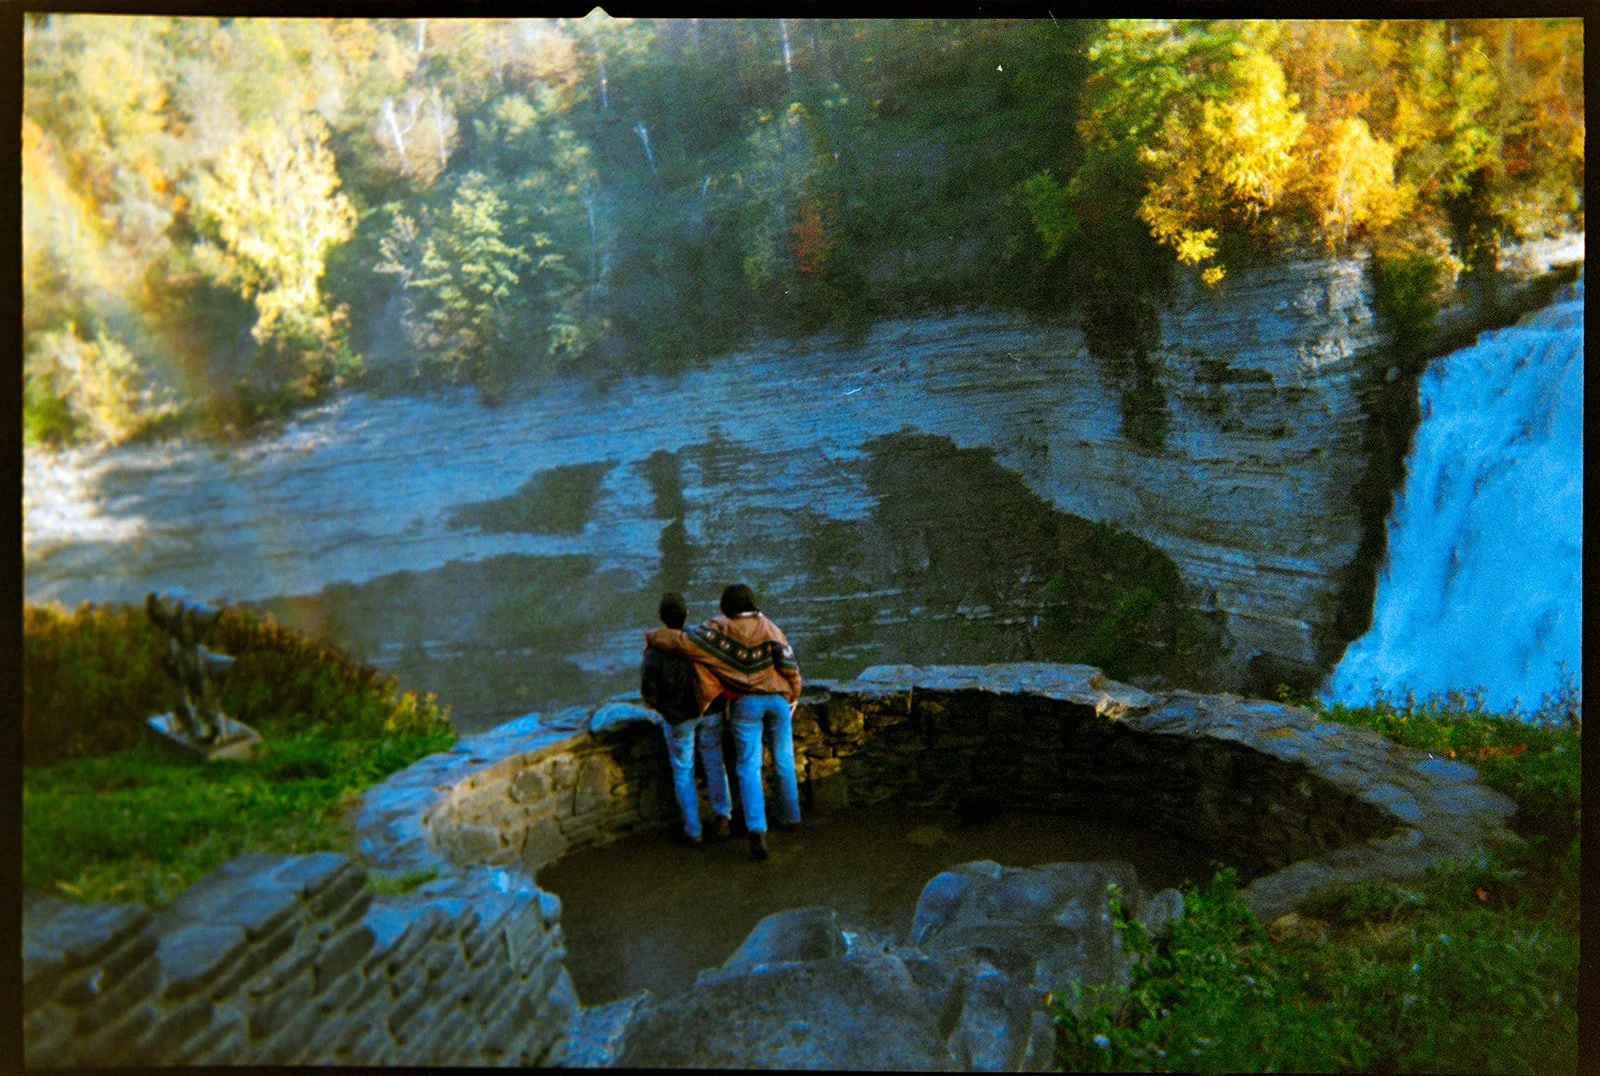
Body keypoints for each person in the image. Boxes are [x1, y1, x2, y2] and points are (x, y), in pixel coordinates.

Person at [645, 583, 802, 860]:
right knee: (784, 759)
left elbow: (683, 643)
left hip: (746, 703)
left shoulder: (720, 631)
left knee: (748, 766)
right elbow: (790, 667)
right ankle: (790, 817)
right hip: (778, 700)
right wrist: (794, 695)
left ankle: (756, 828)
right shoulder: (771, 628)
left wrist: (654, 635)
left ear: (726, 607)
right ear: (752, 603)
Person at [640, 592, 732, 846]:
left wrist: (667, 711)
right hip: (710, 711)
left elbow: (649, 693)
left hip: (678, 719)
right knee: (714, 762)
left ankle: (694, 829)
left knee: (683, 770)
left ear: (661, 617)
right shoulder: (699, 640)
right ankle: (723, 816)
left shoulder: (654, 651)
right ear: (686, 614)